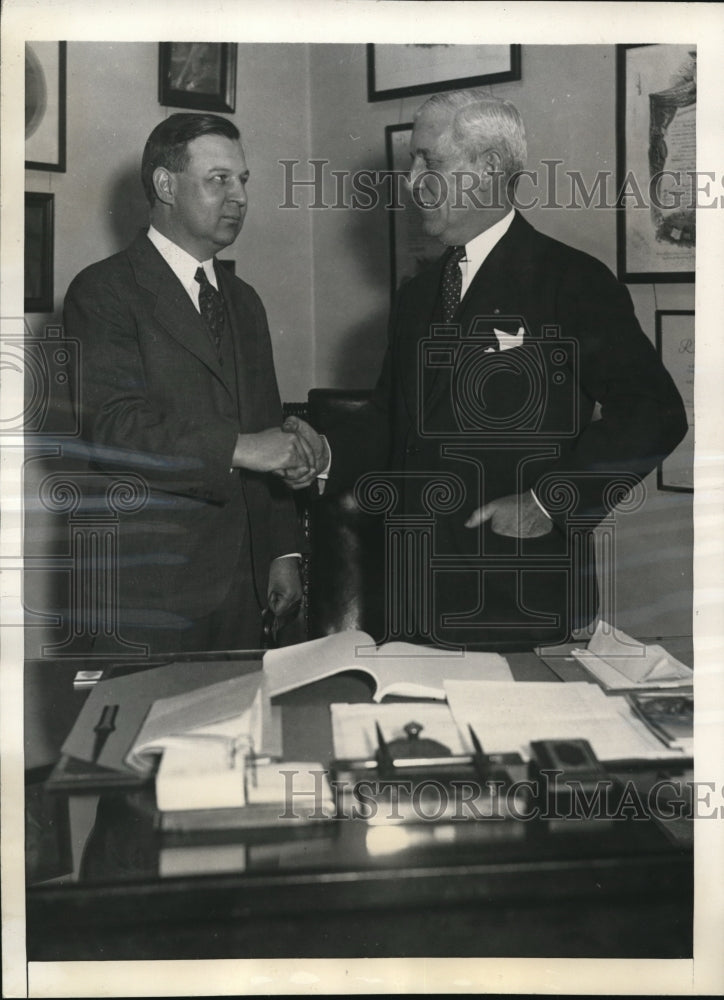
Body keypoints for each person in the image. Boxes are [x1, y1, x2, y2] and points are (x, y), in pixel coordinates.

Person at [286, 90, 688, 651]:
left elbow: (655, 413)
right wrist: (324, 452)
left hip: (520, 600)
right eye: (412, 162)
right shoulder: (419, 294)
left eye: (431, 161)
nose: (412, 180)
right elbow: (391, 420)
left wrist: (552, 501)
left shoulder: (572, 281)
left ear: (489, 169)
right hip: (411, 601)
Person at [65, 113, 317, 653]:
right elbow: (113, 428)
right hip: (150, 594)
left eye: (243, 180)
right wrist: (243, 448)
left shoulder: (244, 300)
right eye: (218, 179)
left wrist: (282, 553)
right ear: (165, 185)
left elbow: (266, 430)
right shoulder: (103, 292)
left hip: (246, 592)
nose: (239, 197)